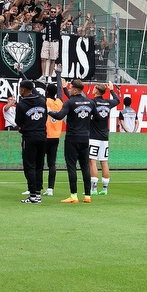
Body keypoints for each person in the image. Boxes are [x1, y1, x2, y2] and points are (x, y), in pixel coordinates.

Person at [48, 75, 95, 203]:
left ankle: (74, 196)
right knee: (85, 166)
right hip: (85, 137)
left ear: (74, 89)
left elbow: (59, 116)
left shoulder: (69, 102)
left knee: (72, 166)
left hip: (72, 138)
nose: (69, 89)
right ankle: (87, 195)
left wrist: (49, 111)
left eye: (71, 87)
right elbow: (96, 117)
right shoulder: (90, 102)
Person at [16, 80, 48, 203]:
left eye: (20, 89)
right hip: (42, 136)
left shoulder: (22, 104)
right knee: (39, 166)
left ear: (23, 90)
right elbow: (45, 117)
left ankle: (33, 195)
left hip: (29, 137)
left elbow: (19, 122)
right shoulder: (41, 100)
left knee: (29, 166)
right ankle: (38, 193)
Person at [88, 82, 119, 195]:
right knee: (104, 162)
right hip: (105, 137)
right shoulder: (108, 103)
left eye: (94, 88)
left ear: (96, 91)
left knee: (92, 161)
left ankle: (94, 188)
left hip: (94, 136)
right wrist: (111, 89)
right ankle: (105, 188)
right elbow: (117, 100)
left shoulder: (92, 103)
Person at [38, 0, 73, 81]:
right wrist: (43, 10)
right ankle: (43, 75)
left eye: (54, 12)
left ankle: (49, 76)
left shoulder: (58, 18)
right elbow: (39, 20)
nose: (53, 13)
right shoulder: (46, 19)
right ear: (49, 12)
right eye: (52, 11)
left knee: (53, 59)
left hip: (54, 41)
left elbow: (66, 10)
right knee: (43, 58)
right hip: (46, 41)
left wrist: (71, 2)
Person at [43, 81, 64, 196]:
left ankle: (37, 186)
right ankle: (50, 188)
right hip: (56, 136)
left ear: (46, 92)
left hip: (46, 135)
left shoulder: (46, 101)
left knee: (39, 163)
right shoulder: (60, 102)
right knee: (52, 164)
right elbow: (60, 93)